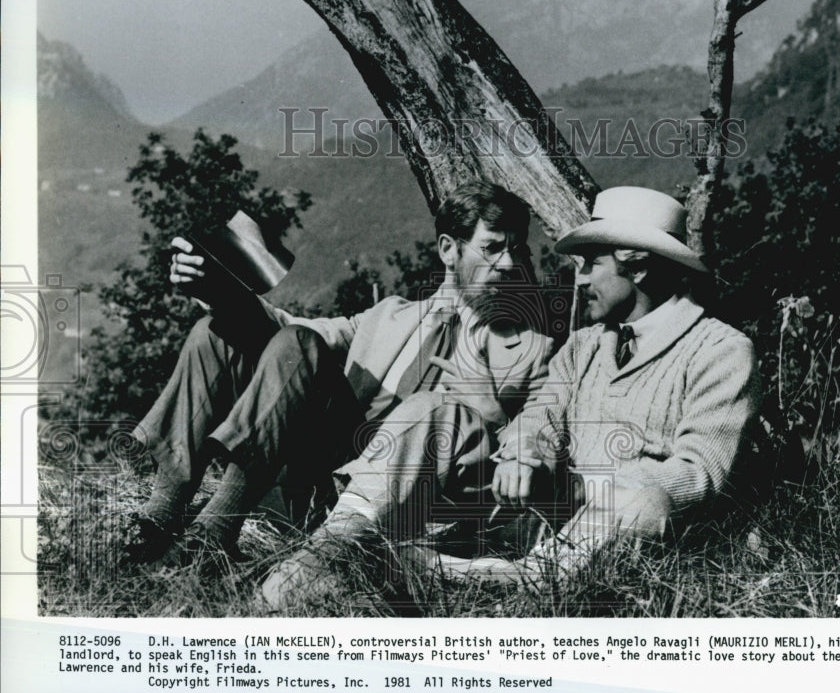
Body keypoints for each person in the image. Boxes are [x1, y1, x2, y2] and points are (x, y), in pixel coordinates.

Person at [260, 185, 761, 604]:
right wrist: (526, 455)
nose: (578, 277)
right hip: (545, 521)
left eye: (591, 264)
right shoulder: (584, 347)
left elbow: (700, 474)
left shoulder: (721, 350)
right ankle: (330, 550)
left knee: (642, 500)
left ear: (640, 268)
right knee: (432, 410)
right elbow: (539, 418)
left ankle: (464, 575)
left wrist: (588, 488)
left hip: (628, 532)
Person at [123, 180, 554, 570]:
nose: (508, 263)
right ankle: (163, 513)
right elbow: (286, 333)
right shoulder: (390, 316)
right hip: (313, 478)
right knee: (219, 334)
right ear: (448, 249)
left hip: (389, 507)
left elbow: (543, 442)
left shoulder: (532, 349)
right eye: (493, 247)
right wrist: (214, 287)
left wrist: (492, 413)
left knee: (295, 343)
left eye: (517, 249)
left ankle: (211, 536)